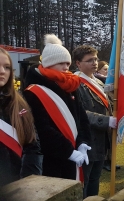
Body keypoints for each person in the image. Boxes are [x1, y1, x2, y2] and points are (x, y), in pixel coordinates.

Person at [23, 34, 91, 180]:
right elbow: (42, 128)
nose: (66, 68)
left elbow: (81, 117)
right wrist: (68, 151)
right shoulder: (33, 91)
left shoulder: (70, 85)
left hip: (73, 153)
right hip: (52, 159)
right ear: (49, 63)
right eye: (61, 63)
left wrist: (83, 142)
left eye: (68, 63)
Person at [72, 45, 116, 198]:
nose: (95, 63)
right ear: (78, 63)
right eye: (89, 60)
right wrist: (106, 120)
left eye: (96, 59)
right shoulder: (75, 83)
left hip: (101, 139)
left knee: (95, 179)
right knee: (85, 180)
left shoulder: (97, 82)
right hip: (87, 139)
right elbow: (81, 112)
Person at [0, 48, 42, 187]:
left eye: (7, 67)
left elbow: (33, 145)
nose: (2, 71)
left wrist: (28, 182)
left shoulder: (19, 103)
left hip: (18, 185)